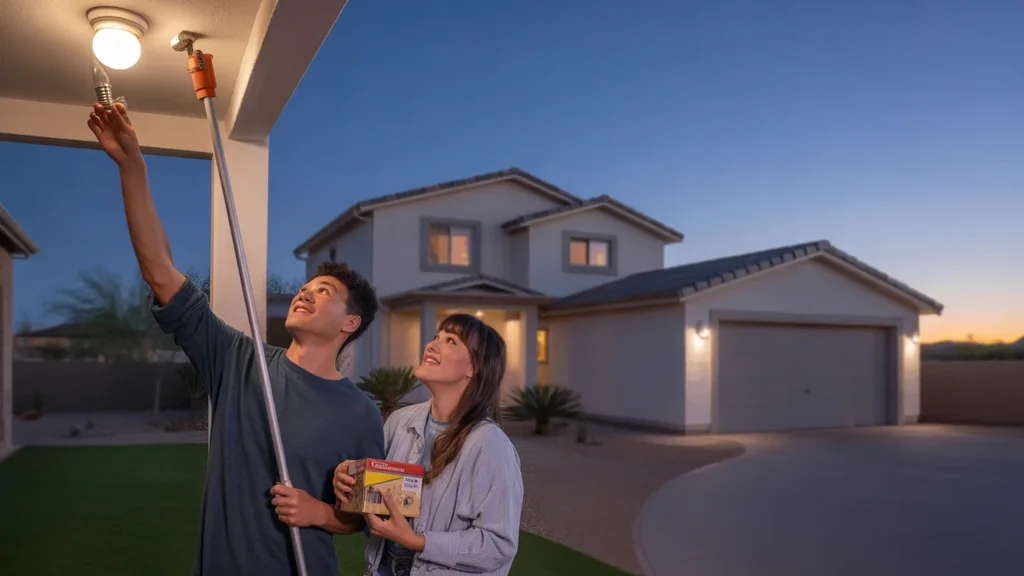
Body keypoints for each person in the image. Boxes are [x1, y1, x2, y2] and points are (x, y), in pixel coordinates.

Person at [86, 101, 385, 575]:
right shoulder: (239, 361)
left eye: (323, 292)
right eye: (305, 288)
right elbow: (160, 273)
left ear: (351, 324)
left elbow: (368, 516)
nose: (305, 294)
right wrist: (132, 167)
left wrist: (320, 512)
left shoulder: (361, 413)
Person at [333, 313, 524, 576]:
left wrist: (418, 541)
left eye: (451, 341)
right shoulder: (399, 421)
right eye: (436, 337)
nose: (431, 345)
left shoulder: (491, 445)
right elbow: (376, 504)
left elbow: (498, 546)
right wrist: (349, 484)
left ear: (473, 368)